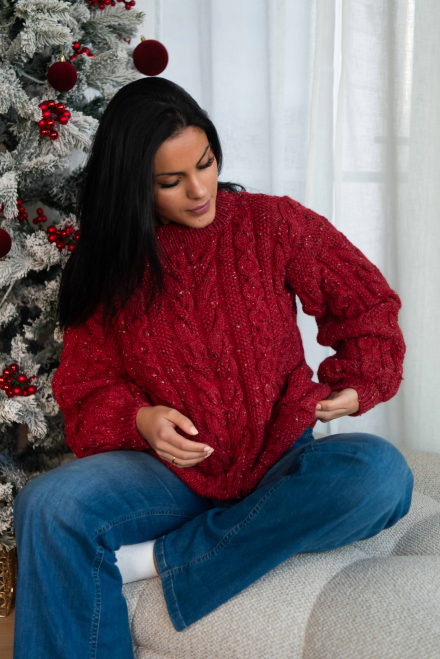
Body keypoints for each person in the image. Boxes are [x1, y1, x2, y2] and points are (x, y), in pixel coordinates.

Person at [13, 77, 414, 658]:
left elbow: (367, 305)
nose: (200, 190)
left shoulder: (272, 223)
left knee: (381, 475)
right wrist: (141, 419)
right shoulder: (109, 267)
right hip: (168, 477)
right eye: (170, 181)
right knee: (47, 504)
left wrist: (357, 382)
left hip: (281, 460)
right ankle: (219, 541)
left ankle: (162, 559)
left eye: (205, 163)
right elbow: (85, 385)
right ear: (134, 184)